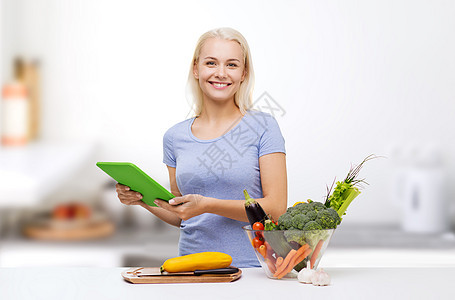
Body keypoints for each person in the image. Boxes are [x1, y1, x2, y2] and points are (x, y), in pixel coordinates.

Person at [116, 27, 287, 267]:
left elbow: (276, 209)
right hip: (190, 266)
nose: (221, 73)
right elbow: (182, 213)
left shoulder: (263, 126)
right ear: (196, 69)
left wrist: (207, 205)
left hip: (253, 267)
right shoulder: (174, 137)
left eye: (231, 65)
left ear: (243, 73)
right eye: (211, 63)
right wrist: (141, 200)